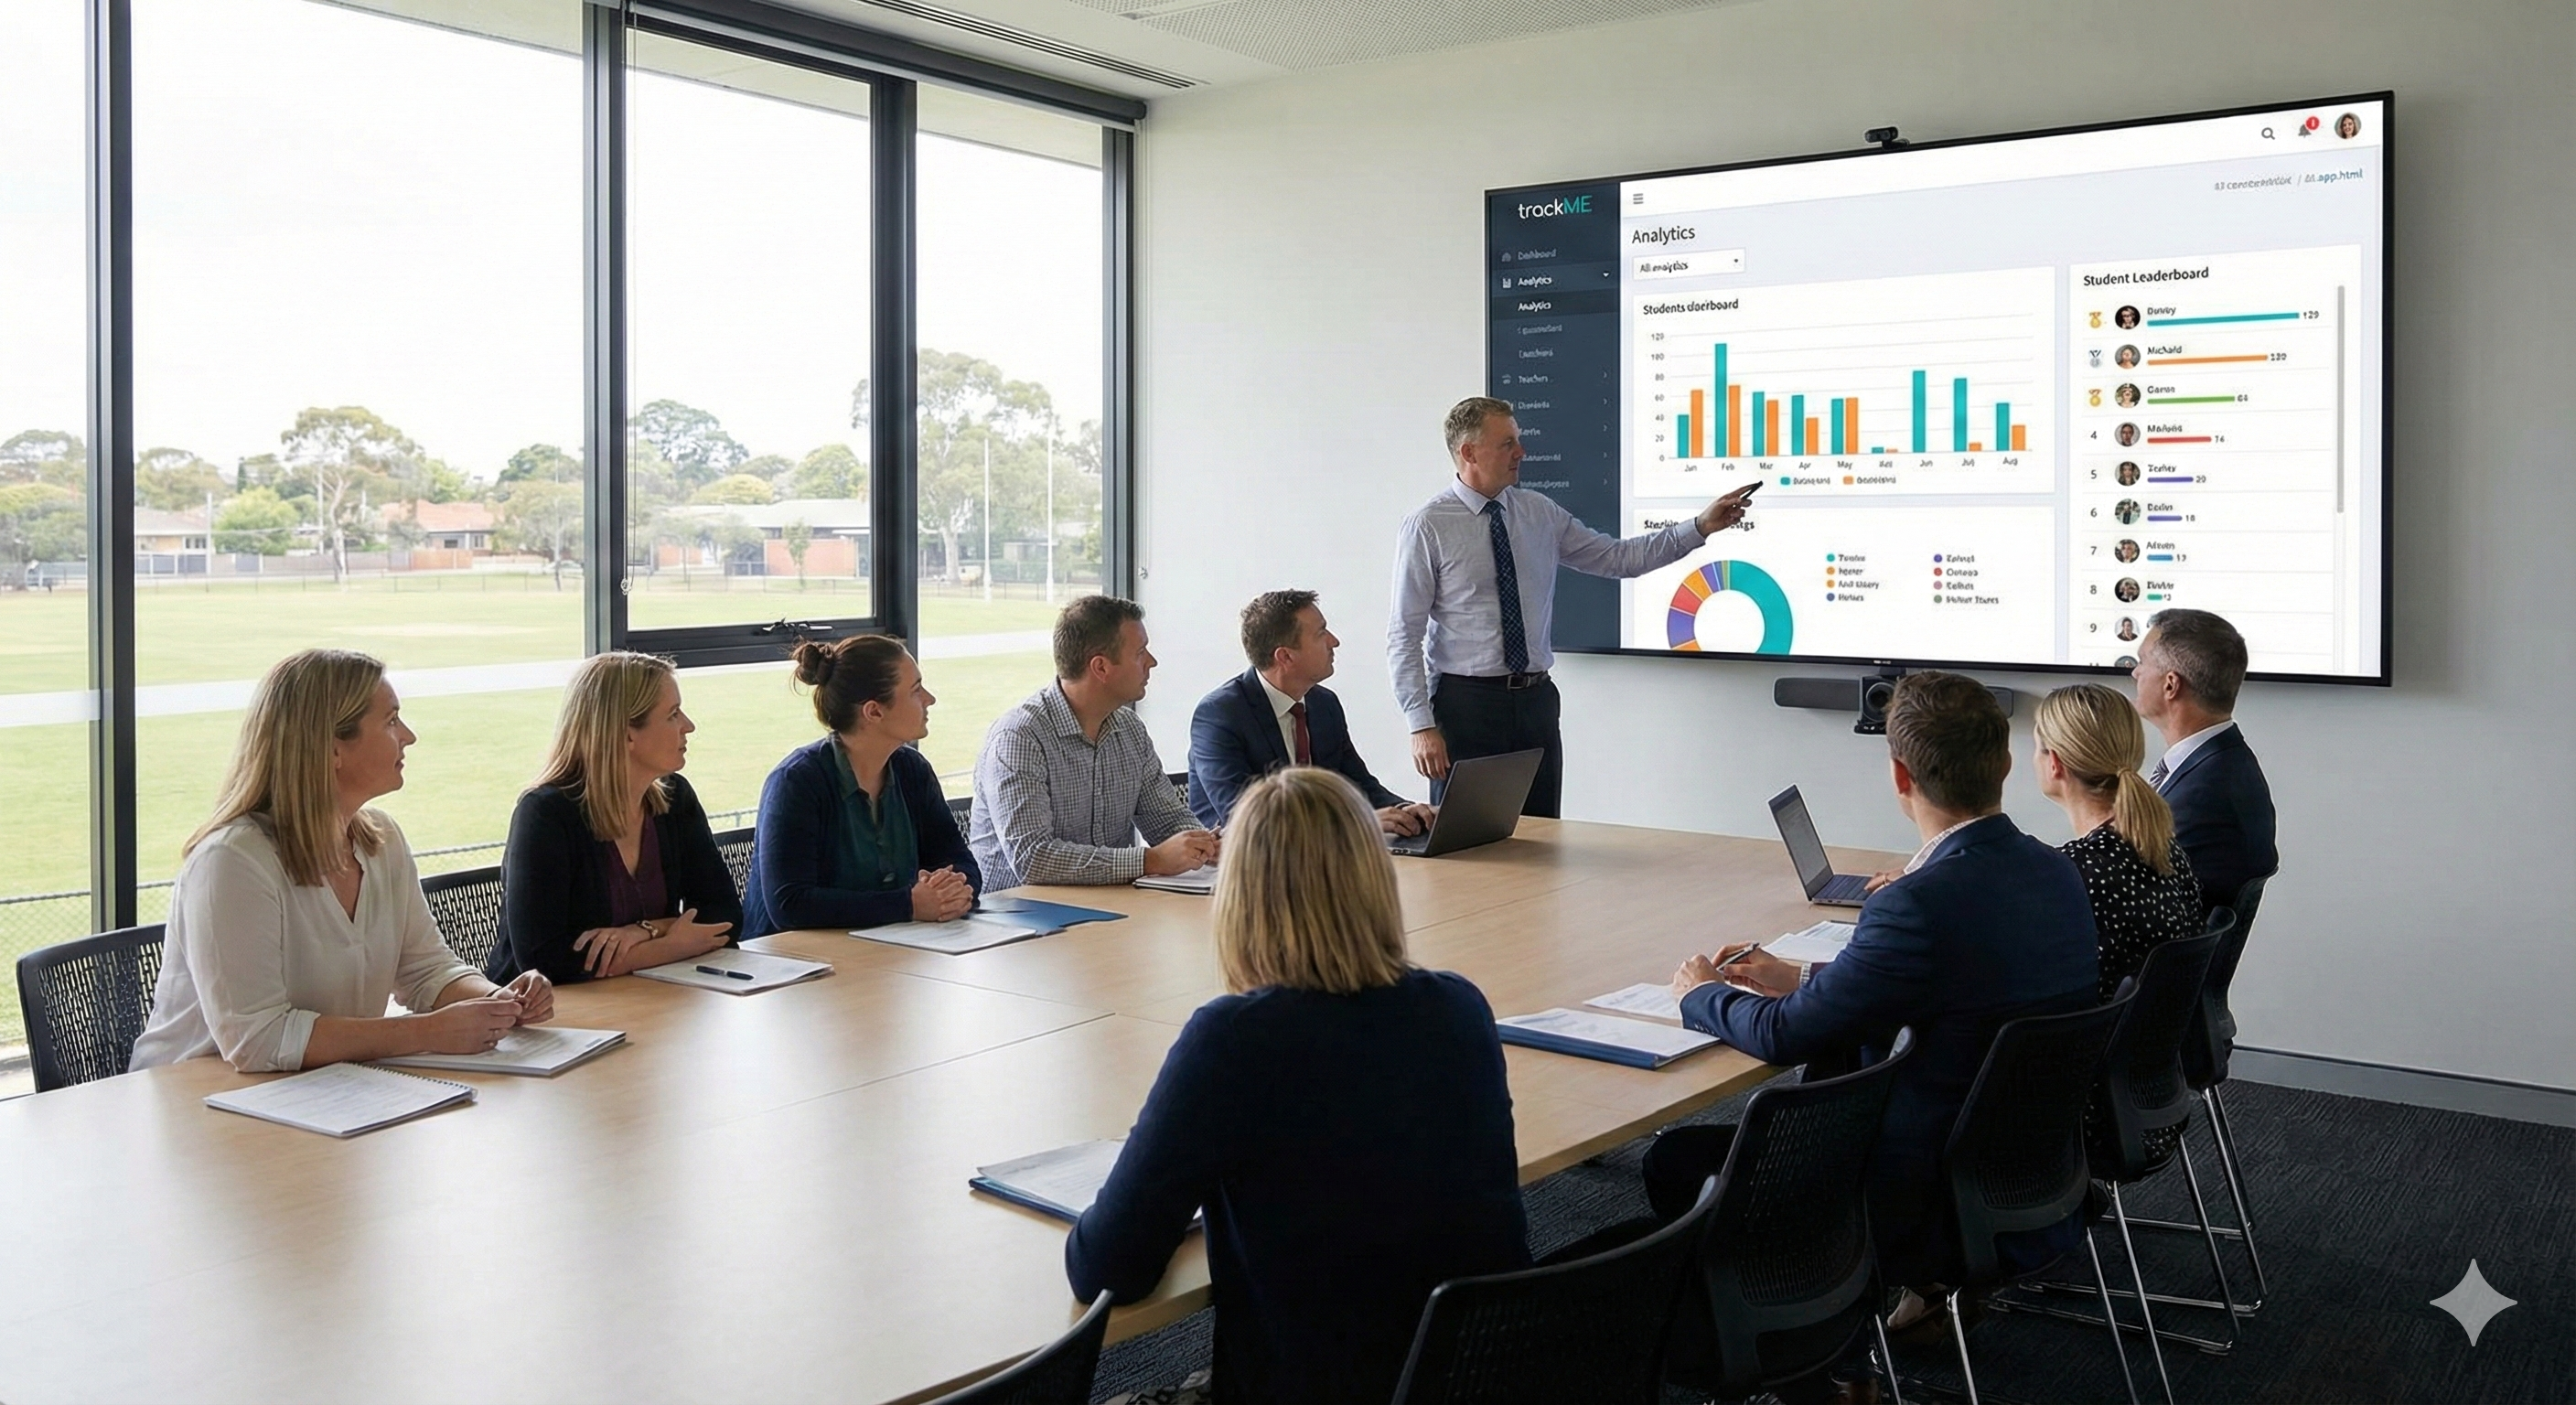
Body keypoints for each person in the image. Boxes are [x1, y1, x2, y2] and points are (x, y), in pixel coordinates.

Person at [1067, 768, 1528, 1405]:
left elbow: (1107, 1267)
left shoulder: (1233, 1040)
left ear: (1240, 895)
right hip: (1473, 1374)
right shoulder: (1457, 1006)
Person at [1657, 672, 2098, 1304]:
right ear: (2004, 763)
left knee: (1675, 1160)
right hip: (2024, 1170)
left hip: (1918, 1189)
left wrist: (1699, 994)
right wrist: (1806, 978)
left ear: (1899, 777)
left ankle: (1812, 1356)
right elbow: (1953, 985)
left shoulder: (1917, 904)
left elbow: (1786, 1037)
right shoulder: (2057, 870)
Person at [132, 649, 553, 1073]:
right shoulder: (232, 861)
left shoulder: (382, 841)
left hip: (322, 1094)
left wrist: (495, 999)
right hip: (195, 1108)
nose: (408, 735)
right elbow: (257, 1038)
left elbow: (426, 970)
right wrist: (427, 1032)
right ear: (333, 749)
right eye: (390, 721)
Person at [1390, 395, 1755, 817]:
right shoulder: (1429, 525)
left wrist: (1700, 527)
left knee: (1542, 837)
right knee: (1467, 843)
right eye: (1507, 443)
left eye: (1518, 441)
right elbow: (1404, 634)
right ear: (1468, 452)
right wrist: (1420, 724)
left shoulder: (1538, 512)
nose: (1521, 452)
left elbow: (1619, 558)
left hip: (1535, 703)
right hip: (1467, 706)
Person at [487, 652, 741, 983]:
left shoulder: (675, 797)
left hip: (648, 1000)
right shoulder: (545, 814)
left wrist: (645, 931)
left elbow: (726, 917)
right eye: (672, 715)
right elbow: (544, 959)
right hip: (543, 1018)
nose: (688, 726)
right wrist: (671, 945)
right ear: (627, 734)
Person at [970, 595, 1217, 888]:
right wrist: (1150, 860)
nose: (1152, 662)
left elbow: (1166, 821)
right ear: (1100, 668)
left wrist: (1207, 846)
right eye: (1140, 653)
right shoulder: (1019, 738)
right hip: (1018, 918)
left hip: (1108, 908)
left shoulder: (1130, 730)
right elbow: (1033, 858)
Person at [743, 635, 981, 936]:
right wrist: (908, 905)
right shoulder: (797, 781)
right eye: (916, 690)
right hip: (792, 967)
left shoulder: (912, 770)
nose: (929, 699)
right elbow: (790, 904)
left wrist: (954, 892)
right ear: (874, 711)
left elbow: (959, 861)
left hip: (888, 952)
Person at [1189, 588, 1433, 834]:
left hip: (1319, 856)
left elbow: (1358, 785)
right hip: (1242, 864)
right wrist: (1359, 822)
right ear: (1285, 656)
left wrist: (1405, 810)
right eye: (1321, 633)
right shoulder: (1220, 715)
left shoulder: (1323, 704)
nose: (1334, 641)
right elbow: (1246, 819)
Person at [2032, 683, 2204, 999]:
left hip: (2088, 1043)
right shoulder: (2162, 846)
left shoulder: (2072, 874)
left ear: (2054, 763)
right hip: (2147, 1042)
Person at [2132, 608, 2278, 912]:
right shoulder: (2228, 763)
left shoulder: (2200, 795)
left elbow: (2131, 898)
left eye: (2142, 661)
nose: (2135, 672)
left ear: (2170, 685)